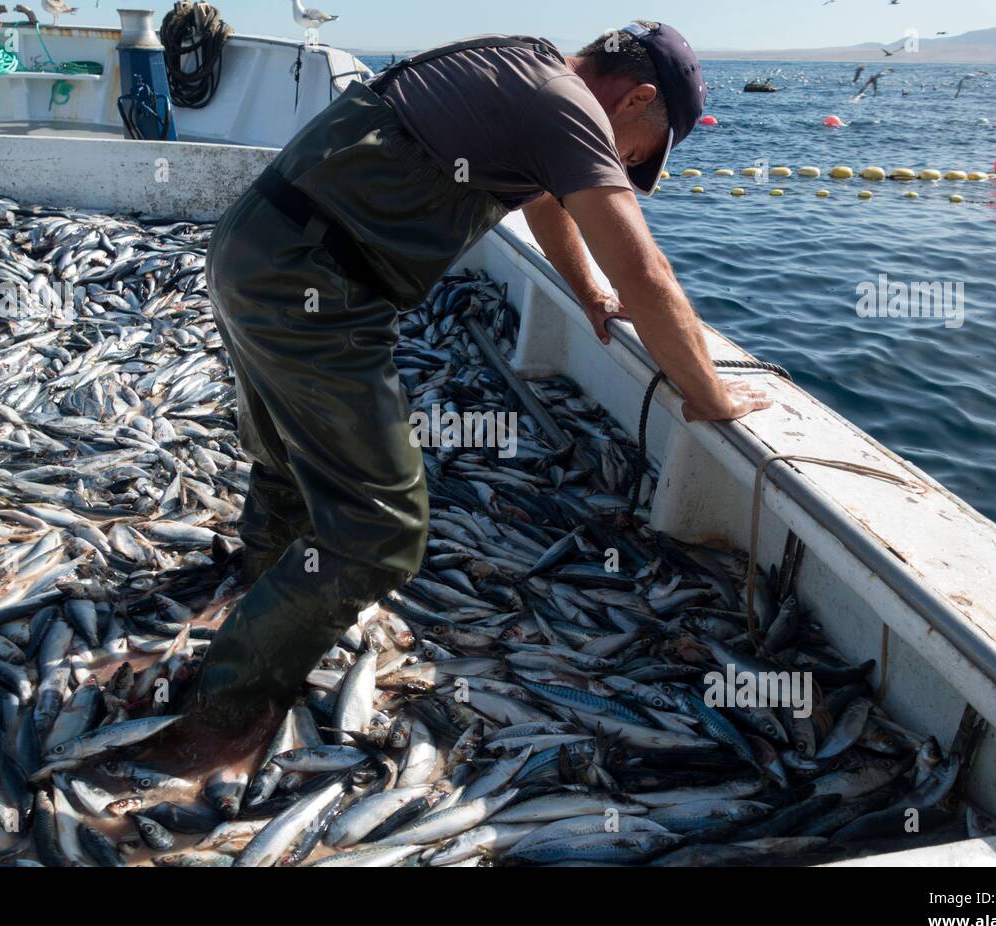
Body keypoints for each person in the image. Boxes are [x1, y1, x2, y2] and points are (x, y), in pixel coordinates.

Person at [193, 20, 772, 731]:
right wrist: (708, 395)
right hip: (314, 283)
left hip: (257, 247)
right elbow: (647, 274)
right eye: (636, 155)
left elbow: (546, 204)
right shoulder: (567, 105)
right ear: (636, 98)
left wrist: (588, 293)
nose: (623, 164)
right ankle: (219, 715)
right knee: (381, 530)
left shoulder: (519, 65)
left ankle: (261, 593)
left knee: (289, 453)